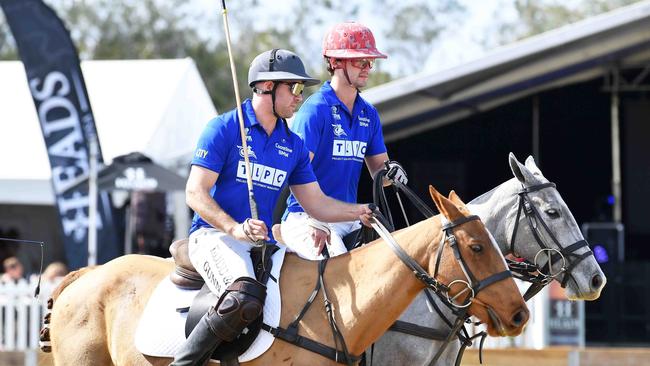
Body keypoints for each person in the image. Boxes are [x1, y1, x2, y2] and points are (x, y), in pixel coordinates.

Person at [171, 48, 374, 366]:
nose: (298, 97)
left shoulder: (293, 145)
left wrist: (358, 211)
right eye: (293, 88)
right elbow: (194, 193)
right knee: (244, 297)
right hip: (213, 237)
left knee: (312, 287)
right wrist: (233, 227)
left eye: (301, 89)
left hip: (263, 243)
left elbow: (316, 203)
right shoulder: (224, 129)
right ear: (267, 87)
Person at [281, 22, 408, 260]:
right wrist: (313, 218)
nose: (368, 68)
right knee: (341, 279)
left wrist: (392, 173)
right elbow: (294, 172)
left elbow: (380, 172)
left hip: (350, 217)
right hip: (306, 218)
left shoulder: (368, 113)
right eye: (360, 61)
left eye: (370, 62)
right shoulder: (315, 110)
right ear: (336, 62)